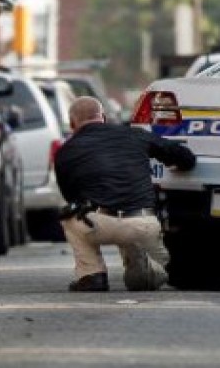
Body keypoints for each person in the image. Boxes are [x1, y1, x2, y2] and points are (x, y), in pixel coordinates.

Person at [53, 97, 197, 292]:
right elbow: (185, 157)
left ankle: (91, 275)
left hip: (99, 223)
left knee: (69, 217)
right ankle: (145, 264)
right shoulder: (135, 134)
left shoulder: (65, 152)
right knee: (143, 282)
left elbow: (72, 198)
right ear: (103, 117)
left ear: (72, 124)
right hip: (143, 223)